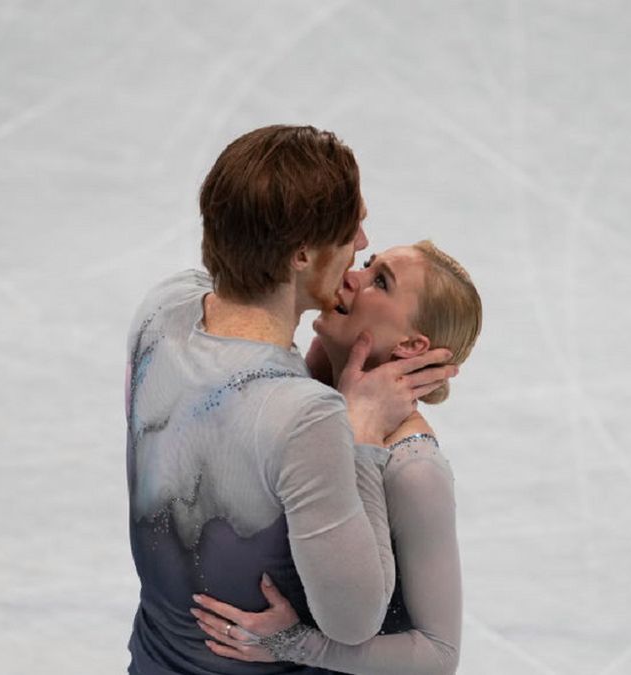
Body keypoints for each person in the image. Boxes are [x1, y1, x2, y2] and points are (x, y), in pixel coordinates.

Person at [124, 125, 459, 674]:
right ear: (302, 255)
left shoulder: (160, 312)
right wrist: (363, 433)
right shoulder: (308, 418)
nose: (361, 246)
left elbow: (238, 423)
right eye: (350, 232)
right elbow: (352, 621)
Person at [191, 241, 482, 675]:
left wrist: (296, 644)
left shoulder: (413, 469)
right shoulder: (312, 396)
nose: (351, 276)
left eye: (379, 282)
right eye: (368, 264)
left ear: (410, 344)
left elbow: (438, 655)